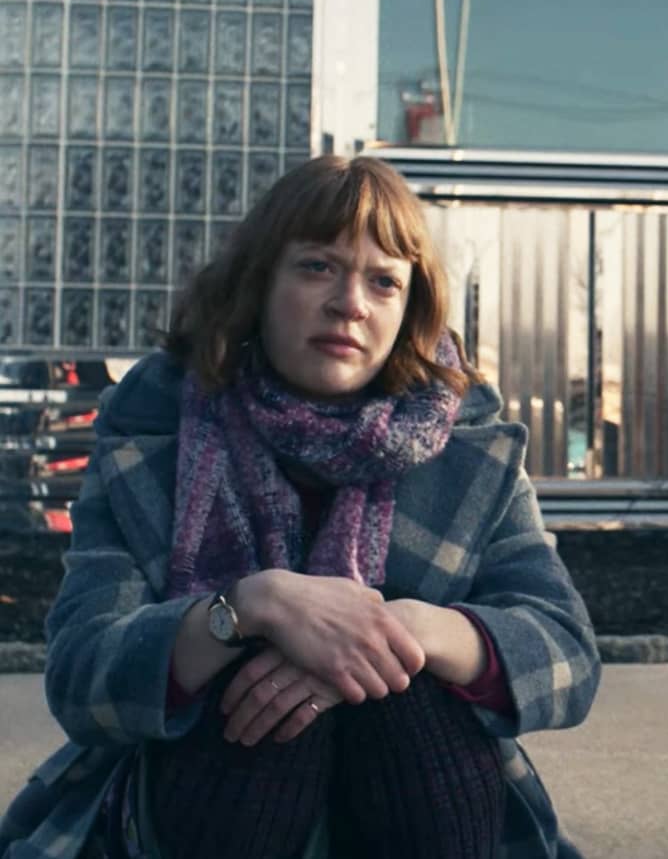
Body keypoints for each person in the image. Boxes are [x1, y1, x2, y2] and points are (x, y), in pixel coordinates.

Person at [0, 155, 601, 859]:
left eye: (384, 281)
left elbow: (567, 654)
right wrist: (251, 608)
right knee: (264, 707)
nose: (351, 302)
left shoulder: (468, 449)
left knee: (399, 687)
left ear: (410, 307)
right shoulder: (154, 433)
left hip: (417, 796)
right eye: (318, 266)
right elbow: (81, 675)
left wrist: (395, 630)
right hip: (201, 806)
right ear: (259, 283)